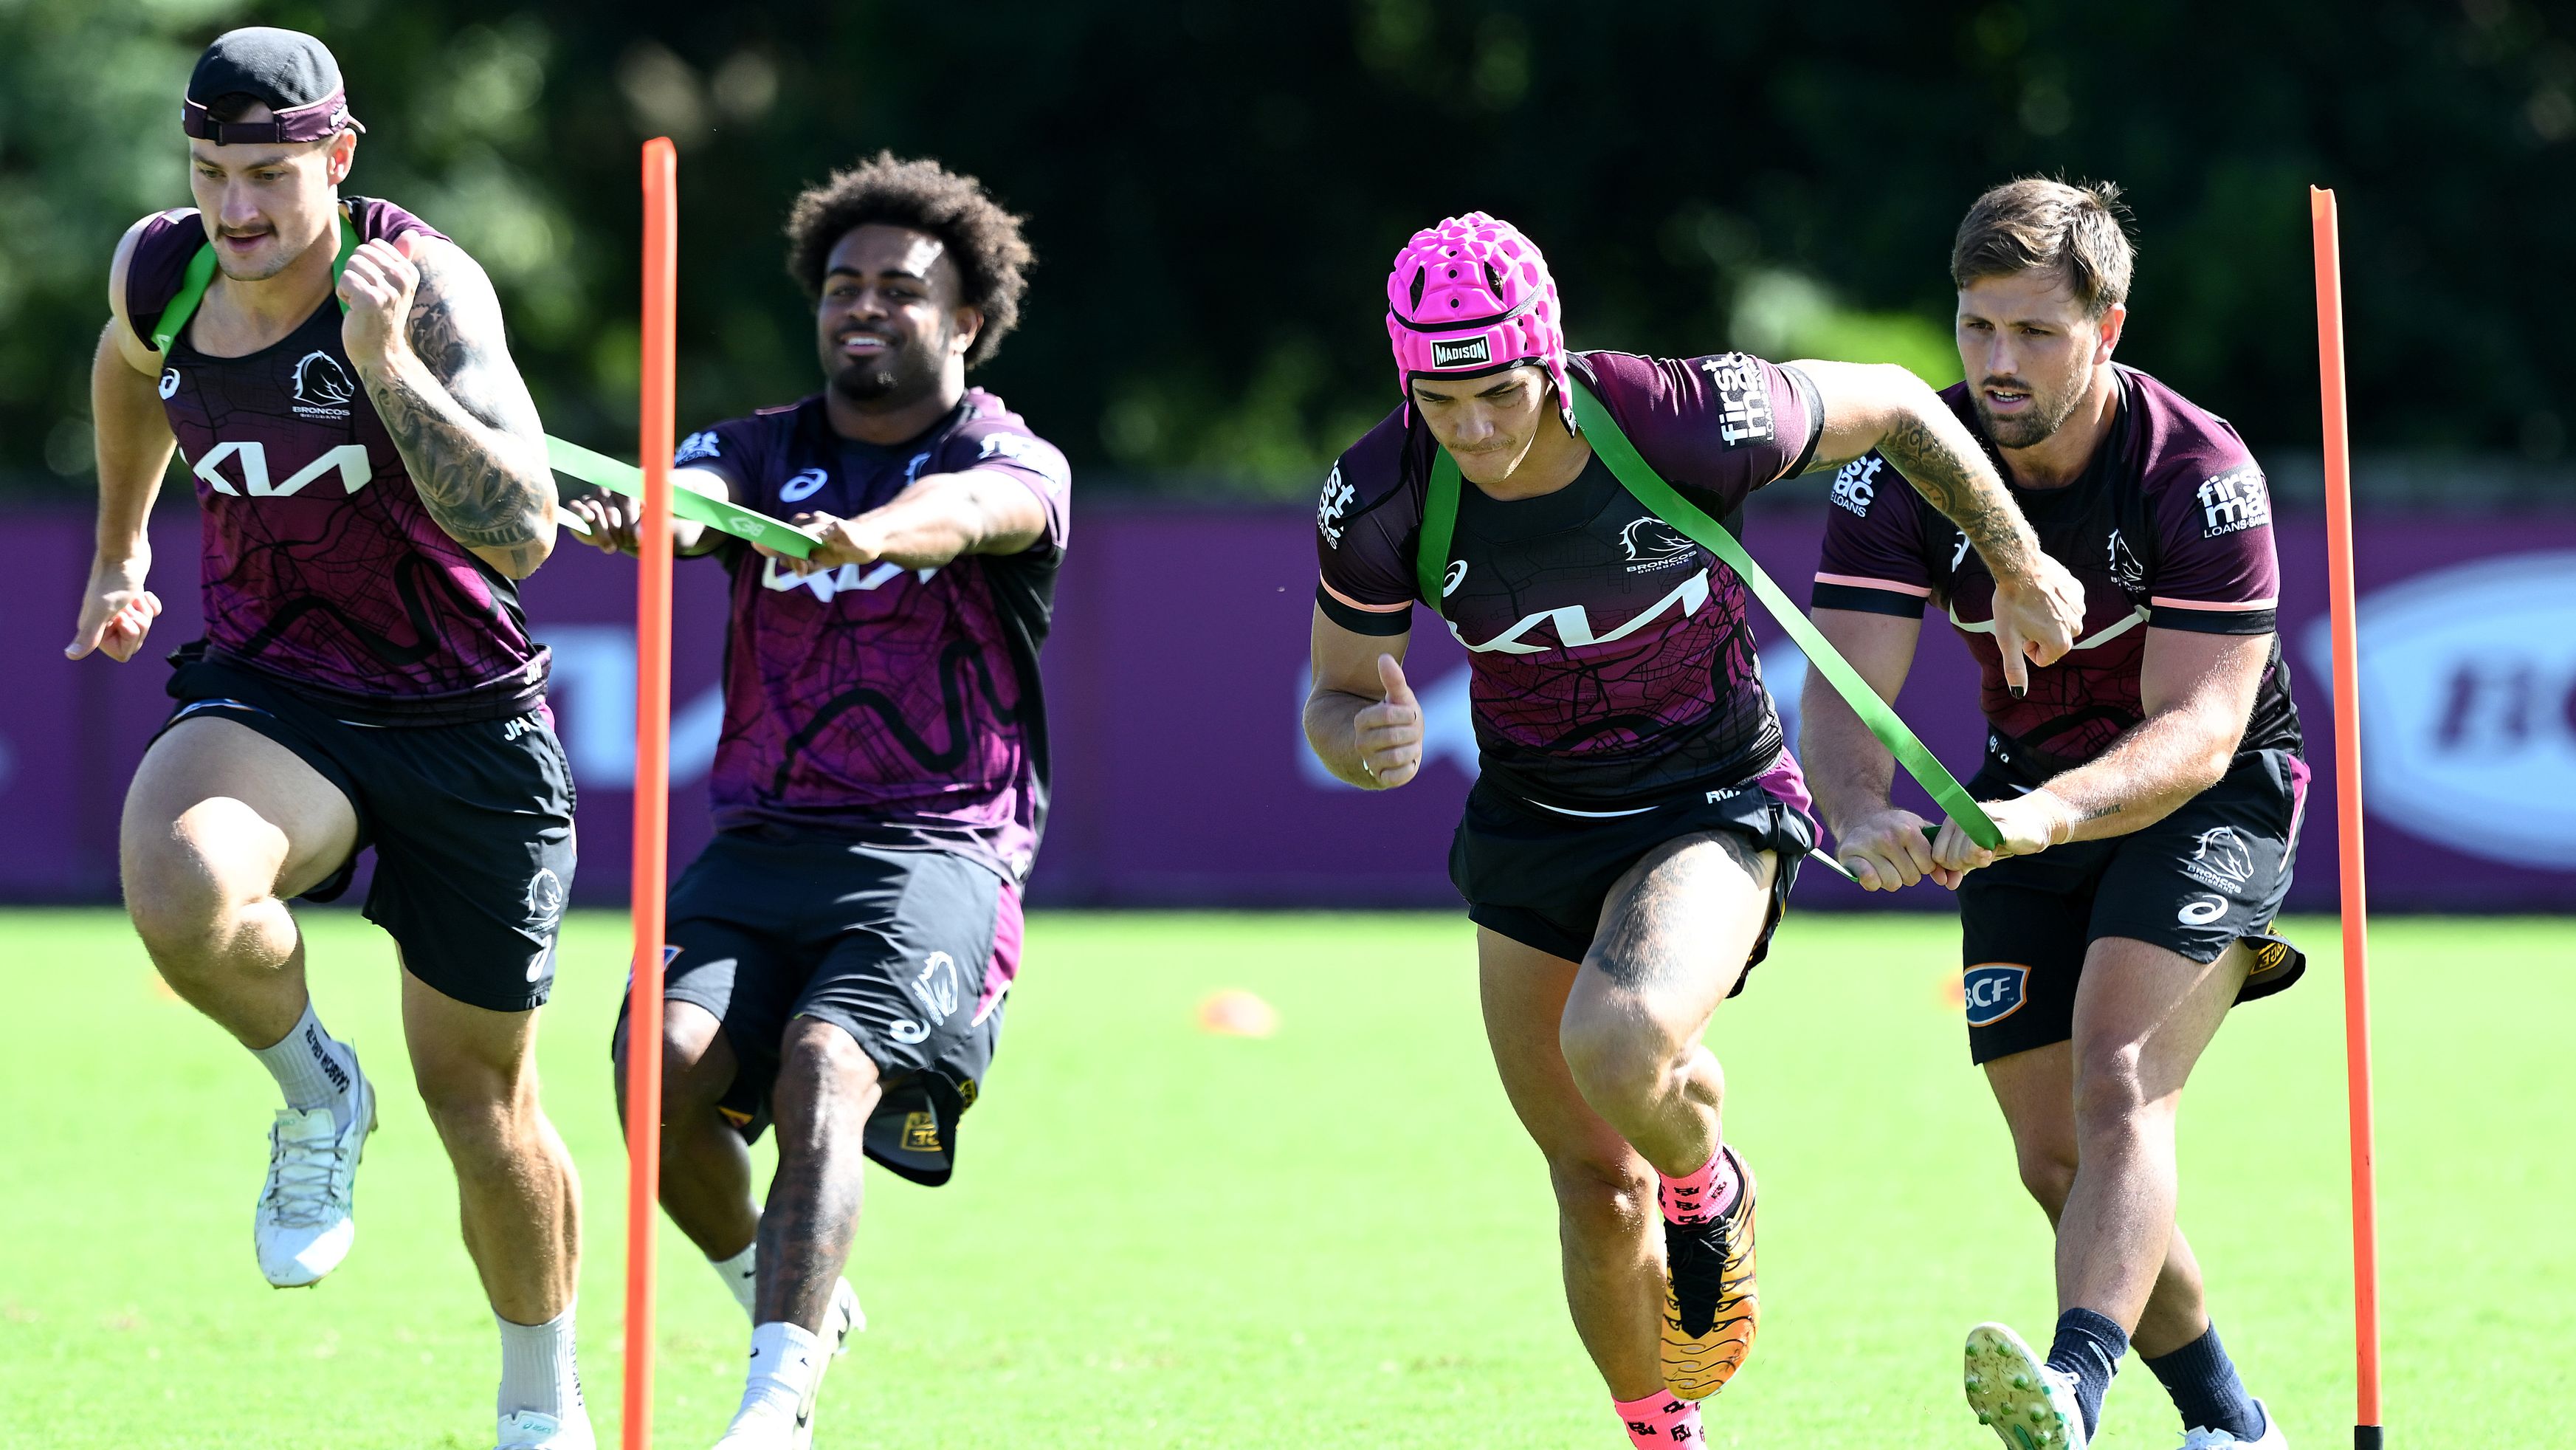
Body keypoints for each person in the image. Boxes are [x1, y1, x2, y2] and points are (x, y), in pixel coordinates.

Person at [1302, 211, 2085, 1449]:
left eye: (1499, 393)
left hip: (1710, 798)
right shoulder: (1382, 488)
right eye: (1441, 400)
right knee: (1589, 1182)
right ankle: (1659, 1428)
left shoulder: (1678, 414)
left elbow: (1890, 399)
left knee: (1618, 1045)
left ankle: (1710, 1186)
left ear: (1545, 362)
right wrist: (1362, 742)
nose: (1477, 431)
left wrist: (2014, 555)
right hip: (1529, 822)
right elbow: (1337, 689)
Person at [64, 27, 587, 1450]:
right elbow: (125, 372)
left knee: (481, 1112)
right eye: (213, 172)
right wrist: (122, 551)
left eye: (270, 177)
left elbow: (526, 533)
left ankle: (541, 1408)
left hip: (468, 722)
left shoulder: (426, 286)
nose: (239, 211)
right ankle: (315, 1097)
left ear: (337, 159)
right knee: (179, 884)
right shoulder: (160, 269)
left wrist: (386, 368)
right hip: (277, 688)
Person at [568, 154, 1066, 1450]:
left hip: (937, 847)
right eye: (842, 285)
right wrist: (656, 518)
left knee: (821, 1068)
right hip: (761, 842)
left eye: (899, 290)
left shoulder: (1009, 452)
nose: (863, 306)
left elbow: (979, 511)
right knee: (649, 1072)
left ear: (963, 320)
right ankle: (772, 1283)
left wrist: (885, 529)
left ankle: (772, 1408)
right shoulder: (758, 447)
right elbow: (701, 498)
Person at [1800, 179, 2303, 1450]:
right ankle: (2232, 1426)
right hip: (2023, 793)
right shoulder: (1909, 466)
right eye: (1976, 329)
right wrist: (1856, 811)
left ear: (2107, 328)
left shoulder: (2198, 472)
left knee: (2116, 1077)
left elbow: (2198, 730)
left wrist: (2044, 816)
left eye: (2032, 333)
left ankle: (2073, 1393)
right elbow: (1849, 676)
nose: (1996, 364)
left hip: (2205, 793)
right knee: (2056, 1162)